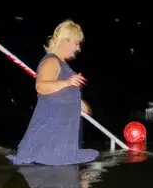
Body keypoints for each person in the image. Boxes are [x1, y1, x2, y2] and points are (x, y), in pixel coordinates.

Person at [8, 20, 99, 165]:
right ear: (64, 41)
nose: (78, 48)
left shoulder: (62, 64)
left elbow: (59, 93)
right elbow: (41, 87)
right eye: (75, 43)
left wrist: (79, 103)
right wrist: (68, 82)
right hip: (48, 142)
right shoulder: (51, 61)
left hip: (61, 145)